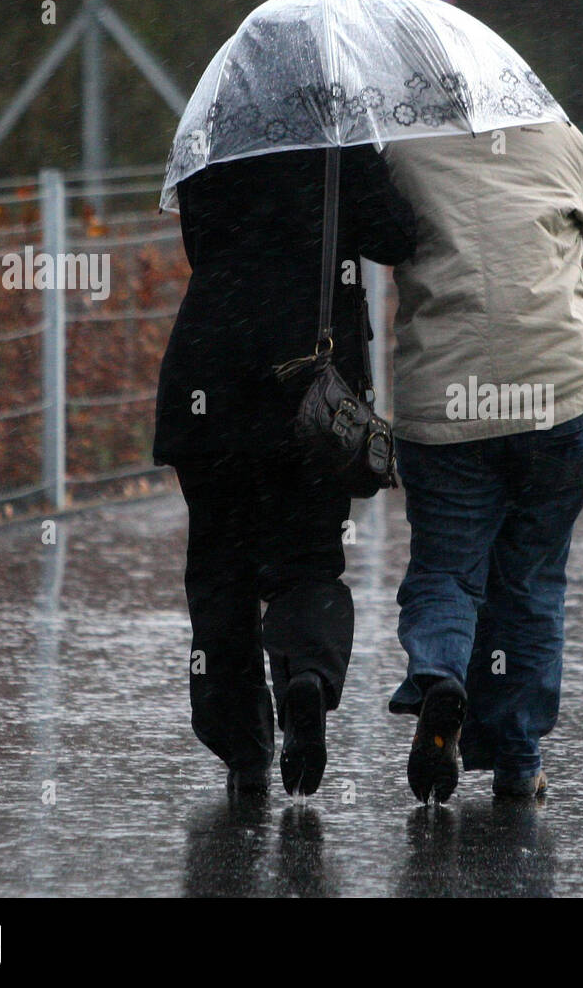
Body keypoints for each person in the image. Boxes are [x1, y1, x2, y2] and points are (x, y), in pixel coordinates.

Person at [154, 146, 415, 798]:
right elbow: (397, 235)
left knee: (219, 566)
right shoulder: (339, 145)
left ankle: (242, 748)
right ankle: (306, 676)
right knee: (306, 557)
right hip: (306, 387)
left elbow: (201, 241)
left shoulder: (215, 136)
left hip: (206, 376)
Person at [382, 121, 583, 802]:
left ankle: (438, 677)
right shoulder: (548, 128)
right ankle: (518, 762)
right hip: (563, 393)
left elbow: (371, 237)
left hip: (449, 400)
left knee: (446, 568)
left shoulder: (396, 150)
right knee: (530, 579)